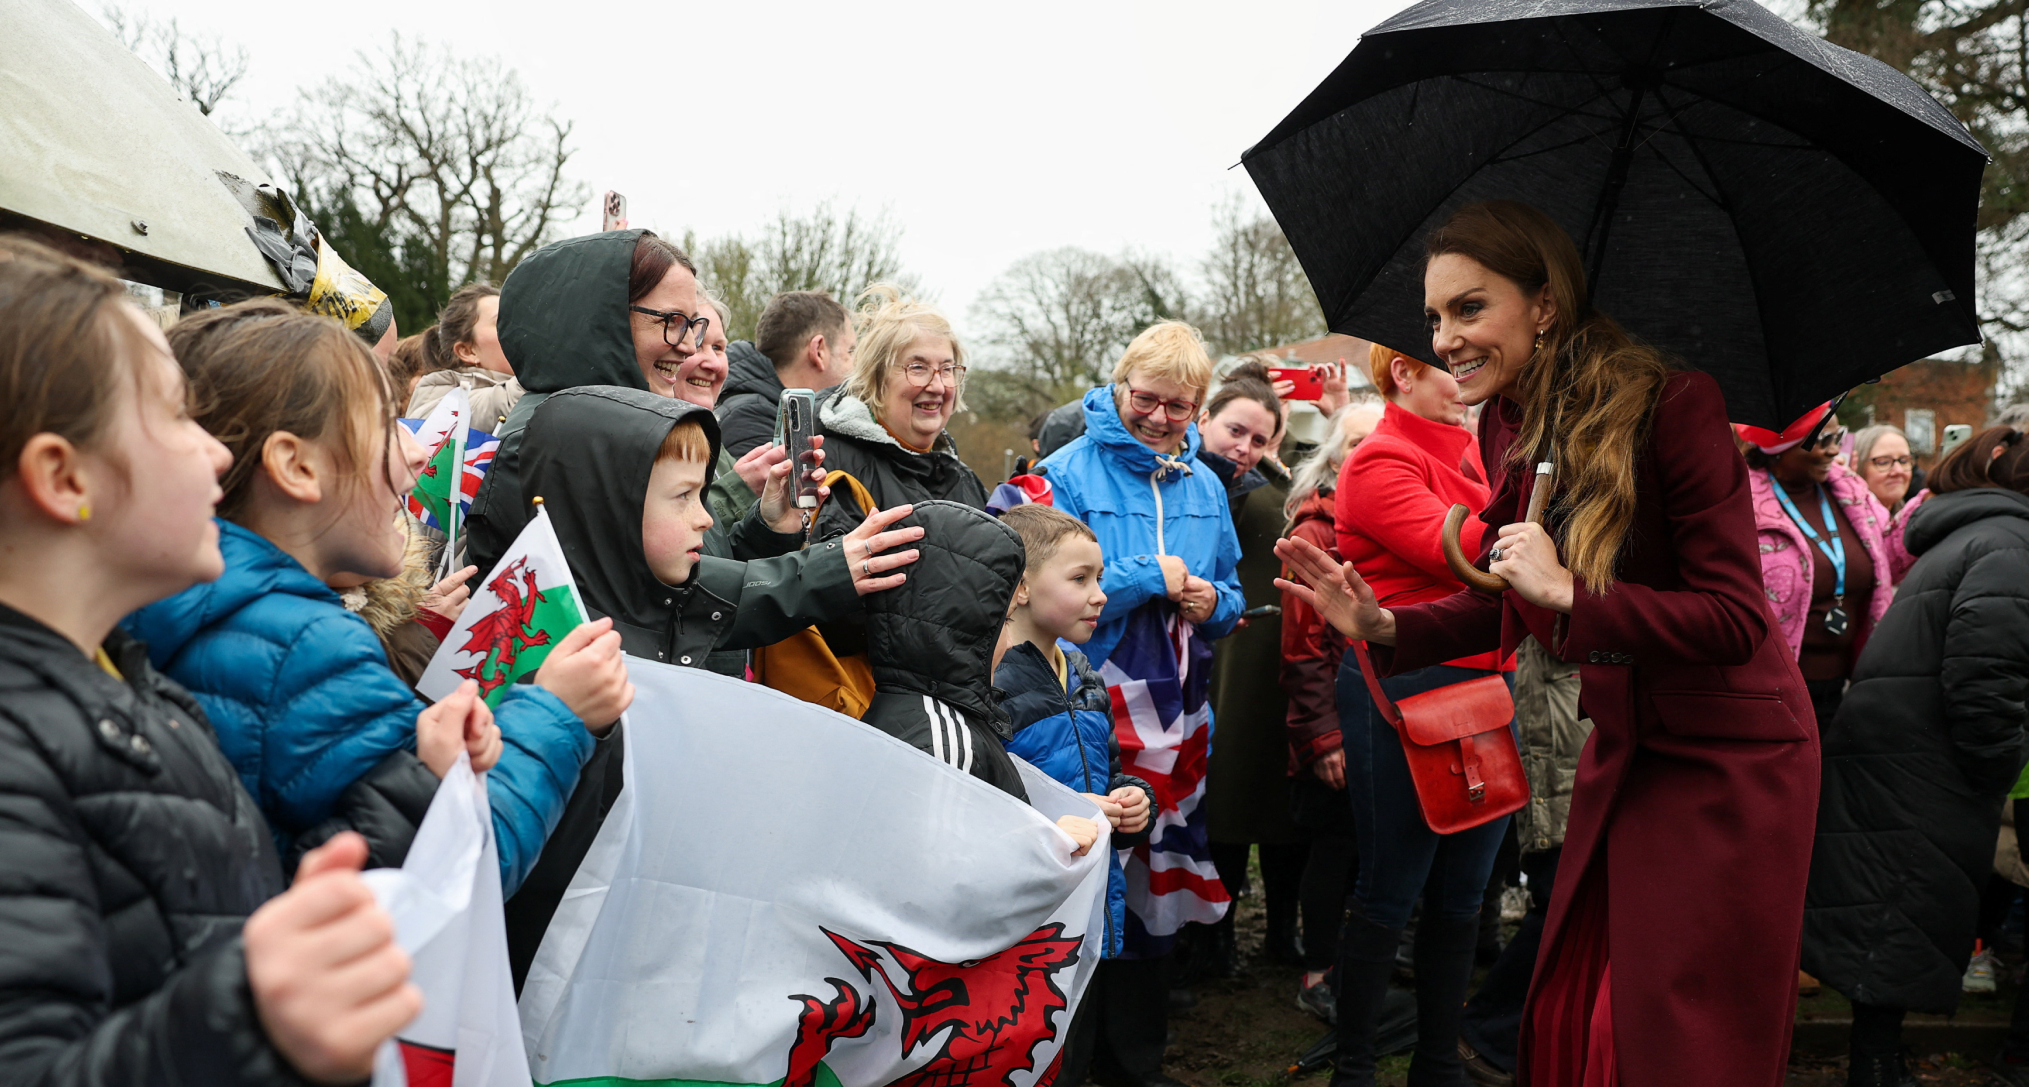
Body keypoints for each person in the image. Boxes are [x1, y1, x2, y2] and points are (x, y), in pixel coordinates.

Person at [1279, 200, 1820, 1087]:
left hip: (1731, 755)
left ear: (1543, 305)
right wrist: (1384, 624)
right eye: (1433, 316)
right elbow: (1504, 591)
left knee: (1671, 1026)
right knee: (1579, 1002)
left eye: (1467, 308)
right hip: (1626, 746)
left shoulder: (1677, 404)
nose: (1443, 338)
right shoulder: (1506, 423)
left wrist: (1575, 592)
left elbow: (1733, 619)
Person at [0, 234, 424, 1086]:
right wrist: (251, 1013)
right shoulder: (18, 751)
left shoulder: (132, 682)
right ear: (64, 476)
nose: (218, 453)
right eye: (169, 416)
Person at [123, 300, 631, 892]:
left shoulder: (205, 604)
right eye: (382, 424)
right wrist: (556, 713)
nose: (418, 449)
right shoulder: (305, 647)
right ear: (296, 466)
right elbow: (448, 874)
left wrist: (425, 761)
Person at [500, 385, 926, 985]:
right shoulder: (558, 652)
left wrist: (778, 531)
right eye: (683, 497)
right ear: (610, 511)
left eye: (703, 494)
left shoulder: (652, 587)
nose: (706, 515)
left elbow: (738, 589)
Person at [461, 230, 884, 679]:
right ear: (602, 322)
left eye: (695, 326)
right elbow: (665, 602)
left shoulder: (616, 425)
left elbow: (684, 565)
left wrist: (768, 527)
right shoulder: (555, 440)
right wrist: (825, 572)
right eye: (672, 322)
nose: (687, 346)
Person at [1299, 338, 1515, 1086]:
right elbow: (1470, 554)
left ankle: (1433, 1060)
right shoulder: (1380, 460)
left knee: (1463, 893)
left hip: (1485, 687)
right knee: (1392, 886)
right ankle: (1355, 1067)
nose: (1468, 380)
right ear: (1402, 371)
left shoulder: (1482, 448)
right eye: (1452, 365)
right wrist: (1543, 529)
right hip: (1404, 689)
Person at [1034, 319, 1244, 1087]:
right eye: (1145, 399)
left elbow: (1232, 596)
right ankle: (1071, 1056)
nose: (1159, 418)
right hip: (1087, 711)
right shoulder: (1065, 473)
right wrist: (1145, 575)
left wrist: (1208, 599)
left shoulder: (1207, 484)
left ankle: (1138, 1059)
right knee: (1091, 871)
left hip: (1177, 716)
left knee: (1158, 874)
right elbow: (1041, 594)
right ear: (1119, 386)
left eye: (1179, 407)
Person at [1800, 426, 2029, 1087]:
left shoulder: (1969, 533)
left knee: (1888, 913)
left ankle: (1878, 1061)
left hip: (1896, 753)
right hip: (1928, 766)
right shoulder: (2010, 547)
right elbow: (1984, 678)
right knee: (1897, 917)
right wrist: (1993, 767)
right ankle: (1876, 1069)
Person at [995, 504, 1158, 1087]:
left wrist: (1133, 801)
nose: (1100, 595)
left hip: (1088, 900)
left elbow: (1110, 772)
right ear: (1019, 588)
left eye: (1100, 579)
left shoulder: (1084, 671)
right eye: (1080, 578)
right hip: (1028, 915)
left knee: (1073, 1046)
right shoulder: (990, 685)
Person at [1197, 361, 1306, 972]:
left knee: (1283, 799)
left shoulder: (1279, 484)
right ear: (1207, 419)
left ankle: (1281, 932)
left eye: (1261, 437)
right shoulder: (1193, 482)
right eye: (1235, 430)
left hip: (1280, 658)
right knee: (1227, 801)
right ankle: (1214, 934)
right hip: (1226, 662)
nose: (1246, 447)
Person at [1278, 399, 1384, 1021]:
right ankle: (1318, 973)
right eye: (1354, 445)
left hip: (1387, 722)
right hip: (1337, 725)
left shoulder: (1393, 522)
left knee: (1374, 851)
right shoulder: (1314, 533)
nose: (1365, 457)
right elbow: (1303, 650)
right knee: (1335, 847)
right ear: (1334, 458)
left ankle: (1358, 961)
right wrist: (1324, 738)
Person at [1738, 404, 1911, 731]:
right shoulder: (1738, 501)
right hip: (1770, 694)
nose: (1834, 449)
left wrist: (1932, 504)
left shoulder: (1849, 489)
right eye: (1821, 439)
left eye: (1838, 437)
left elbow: (1890, 558)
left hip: (1848, 686)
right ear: (1780, 447)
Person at [811, 286, 986, 542]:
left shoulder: (963, 478)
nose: (937, 386)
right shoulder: (832, 469)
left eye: (947, 369)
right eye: (918, 367)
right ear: (876, 377)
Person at [709, 291, 856, 526]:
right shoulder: (750, 419)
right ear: (818, 351)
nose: (854, 366)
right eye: (850, 351)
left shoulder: (761, 407)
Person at [408, 283, 524, 430]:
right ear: (467, 351)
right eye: (501, 321)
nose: (521, 329)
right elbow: (502, 401)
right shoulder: (436, 399)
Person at [1852, 423, 1916, 516]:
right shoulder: (1841, 525)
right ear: (1856, 465)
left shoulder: (1912, 523)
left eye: (1904, 461)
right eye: (1883, 462)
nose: (1898, 471)